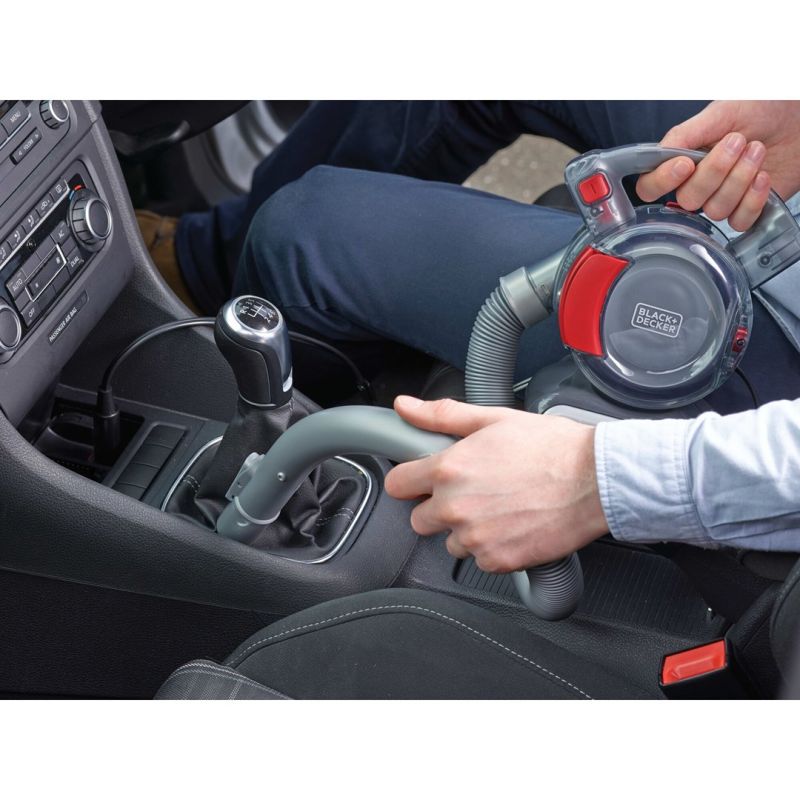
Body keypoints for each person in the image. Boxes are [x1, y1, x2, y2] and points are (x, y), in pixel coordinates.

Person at [142, 100, 800, 570]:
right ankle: (204, 265)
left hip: (762, 381)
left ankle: (295, 463)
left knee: (301, 239)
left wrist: (598, 480)